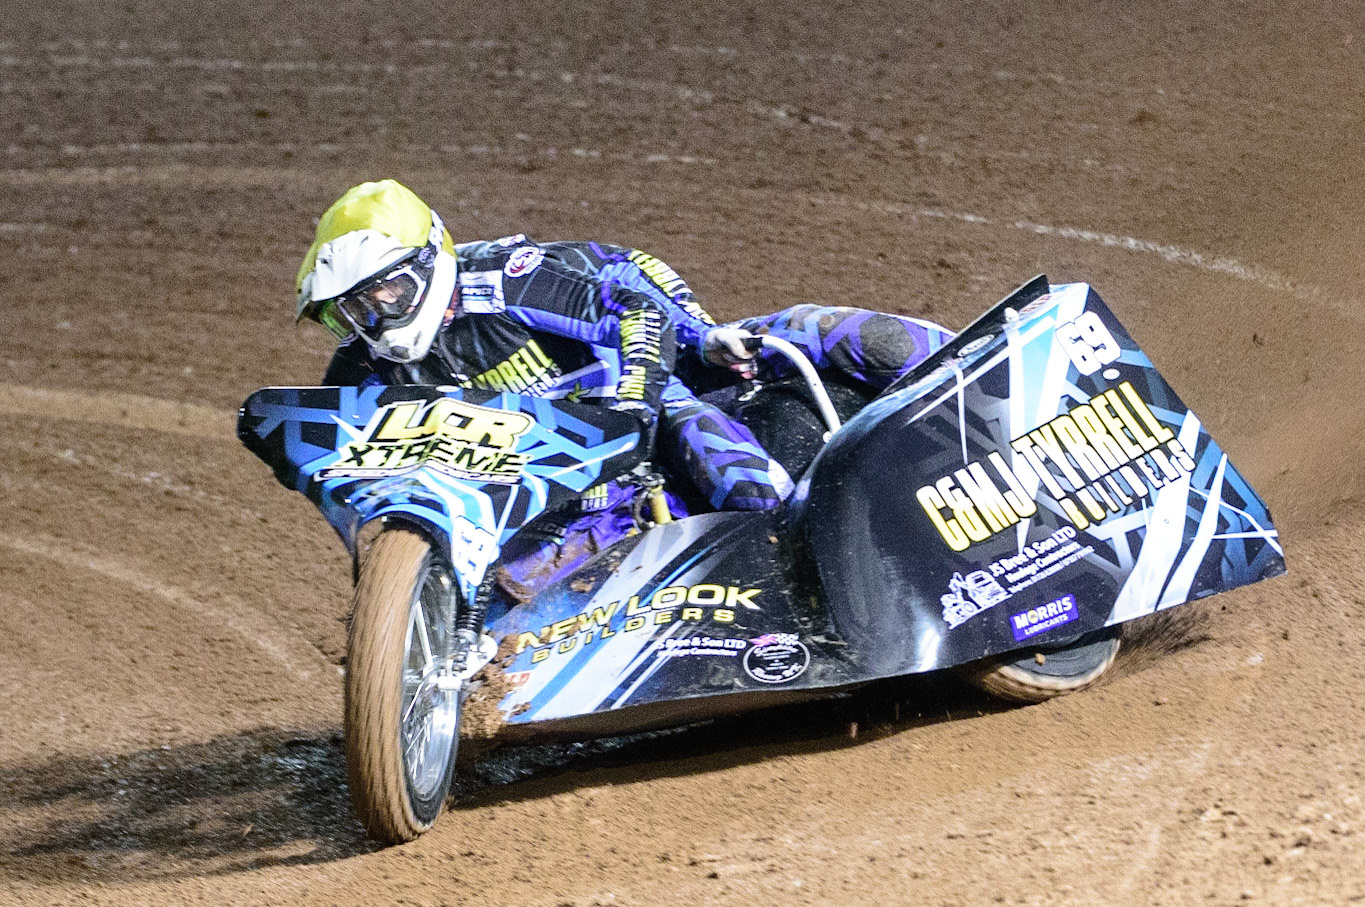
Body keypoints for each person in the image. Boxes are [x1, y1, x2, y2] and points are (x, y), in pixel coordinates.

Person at [295, 179, 955, 516]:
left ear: (429, 259)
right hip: (541, 486)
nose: (371, 318)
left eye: (384, 293)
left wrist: (675, 357)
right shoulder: (359, 369)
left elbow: (633, 299)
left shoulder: (507, 278)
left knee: (826, 349)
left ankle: (985, 359)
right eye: (348, 310)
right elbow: (348, 472)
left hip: (644, 385)